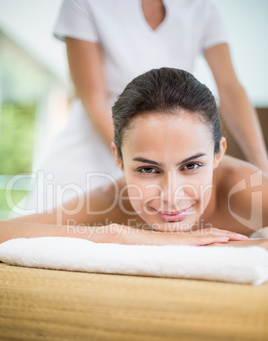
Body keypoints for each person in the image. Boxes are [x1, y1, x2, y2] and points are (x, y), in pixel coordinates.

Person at [23, 0, 268, 214]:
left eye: (193, 165)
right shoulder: (85, 3)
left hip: (164, 149)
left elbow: (231, 88)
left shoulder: (201, 9)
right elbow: (93, 101)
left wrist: (261, 167)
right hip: (95, 150)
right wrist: (142, 163)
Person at [1, 68, 268, 249]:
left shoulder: (248, 190)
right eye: (149, 170)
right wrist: (116, 234)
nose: (171, 195)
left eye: (192, 165)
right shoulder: (113, 201)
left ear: (218, 153)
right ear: (119, 158)